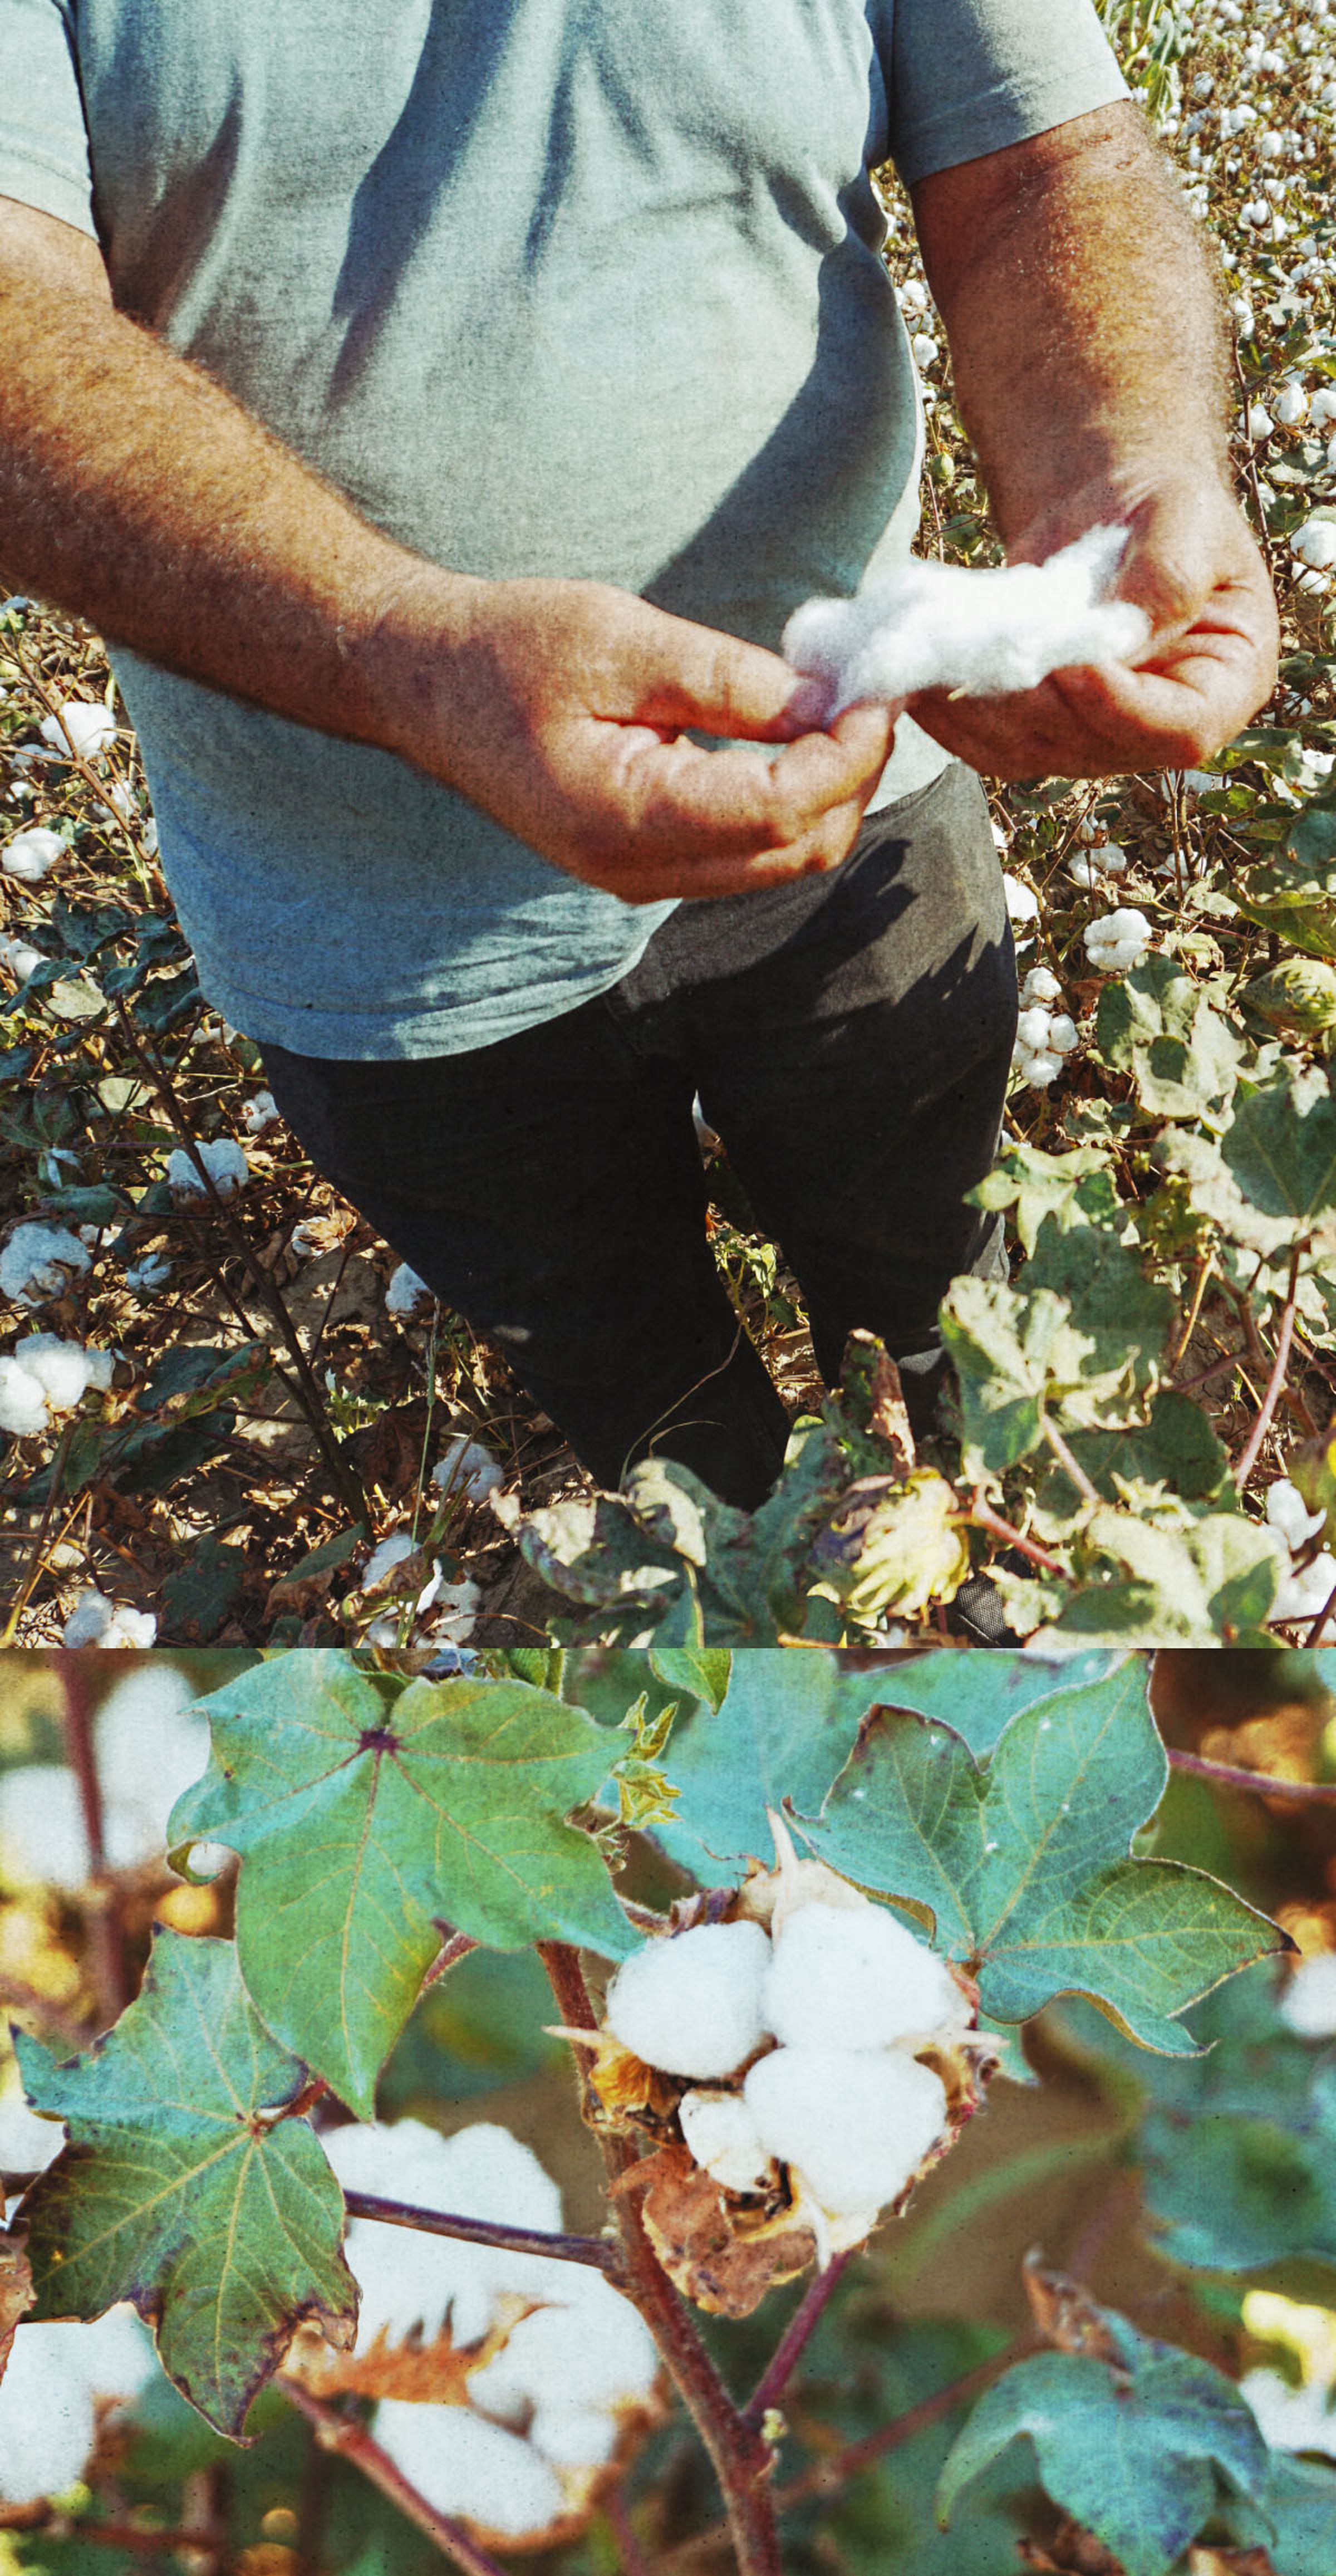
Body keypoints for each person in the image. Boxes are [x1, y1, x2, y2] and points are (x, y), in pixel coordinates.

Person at [0, 2, 1278, 1520]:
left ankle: (984, 1571)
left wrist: (1122, 461)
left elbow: (1036, 156)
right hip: (377, 932)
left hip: (866, 829)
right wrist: (394, 652)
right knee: (663, 1431)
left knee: (962, 1336)